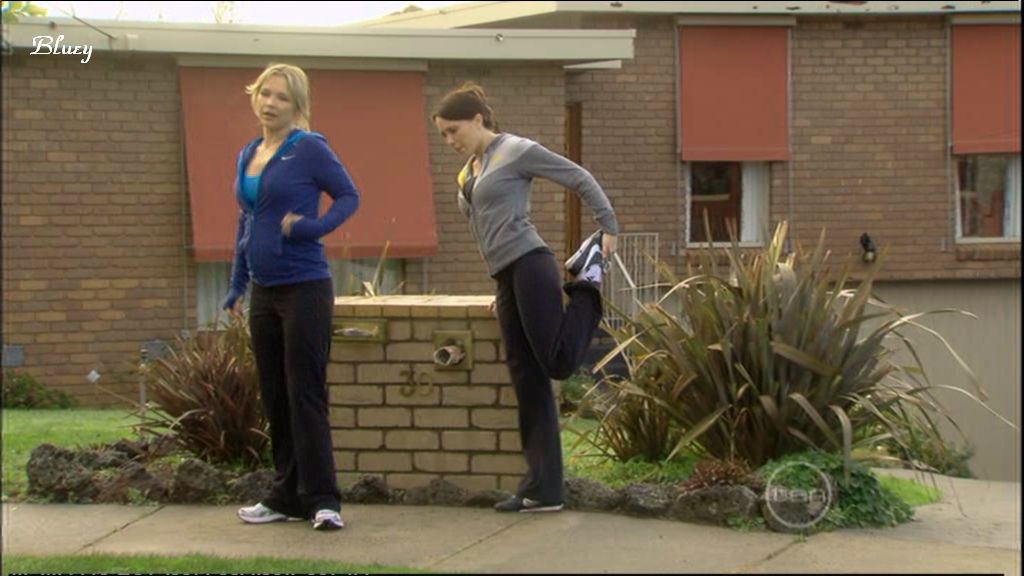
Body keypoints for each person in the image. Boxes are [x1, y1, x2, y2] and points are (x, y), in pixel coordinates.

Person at [433, 82, 619, 512]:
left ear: (478, 119)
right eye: (442, 134)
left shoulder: (516, 150)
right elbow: (486, 229)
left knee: (557, 363)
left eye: (453, 130)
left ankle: (588, 283)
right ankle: (542, 489)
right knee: (527, 380)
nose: (449, 141)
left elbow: (578, 177)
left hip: (531, 264)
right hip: (507, 277)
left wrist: (608, 226)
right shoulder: (468, 172)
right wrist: (502, 289)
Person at [224, 63, 360, 531]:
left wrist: (312, 228)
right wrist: (237, 284)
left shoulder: (309, 148)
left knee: (305, 394)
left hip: (305, 287)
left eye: (282, 97)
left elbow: (349, 196)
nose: (271, 103)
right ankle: (285, 496)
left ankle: (323, 500)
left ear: (297, 105)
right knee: (276, 396)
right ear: (255, 96)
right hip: (264, 292)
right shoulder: (249, 153)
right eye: (265, 93)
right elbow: (246, 222)